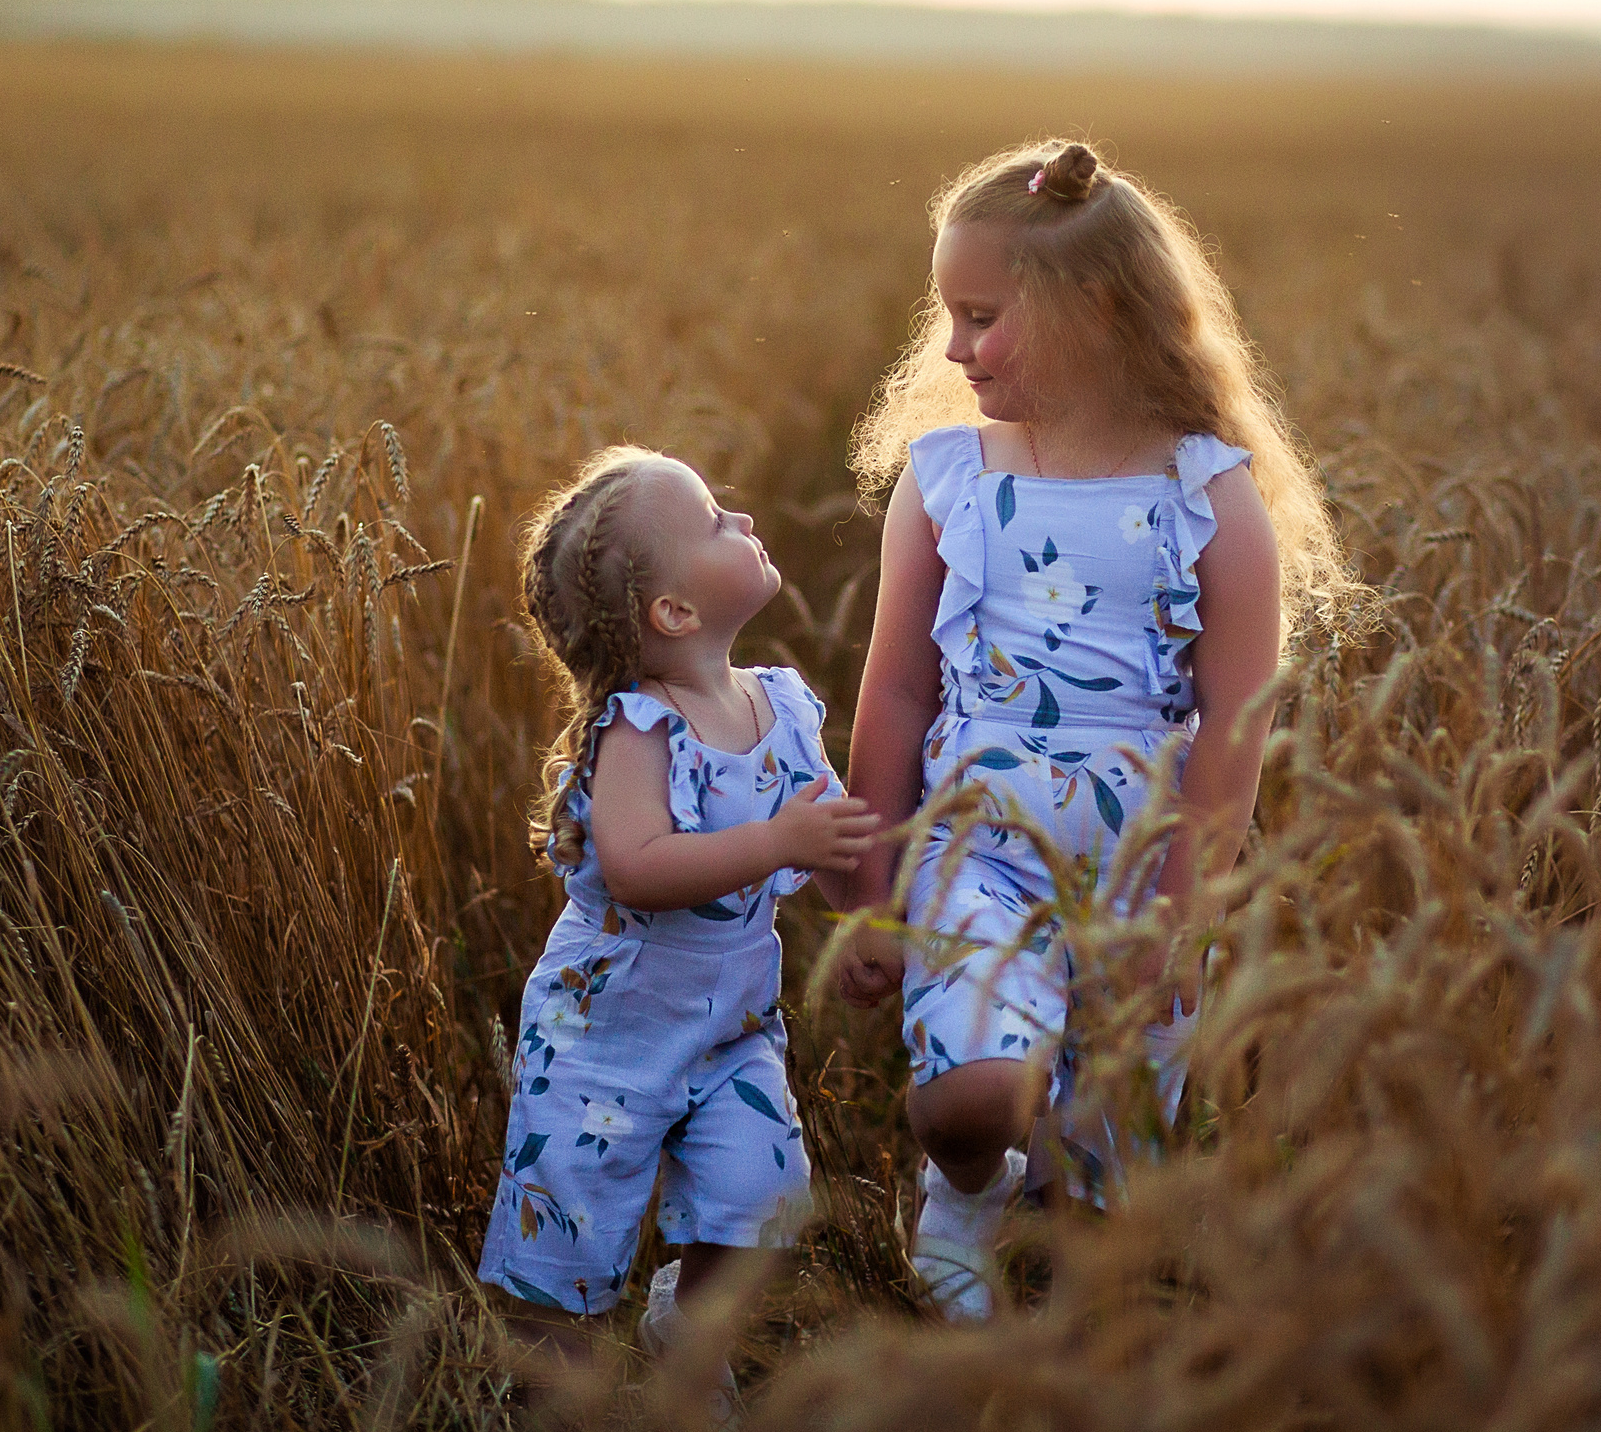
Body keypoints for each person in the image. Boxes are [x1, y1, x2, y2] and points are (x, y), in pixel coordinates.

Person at [838, 140, 1342, 1319]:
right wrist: (871, 889)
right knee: (970, 1097)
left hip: (1142, 871)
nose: (952, 350)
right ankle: (961, 1190)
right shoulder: (949, 478)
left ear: (1094, 308)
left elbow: (1232, 725)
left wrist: (1180, 910)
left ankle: (1053, 1391)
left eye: (978, 318)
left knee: (1103, 1203)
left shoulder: (1207, 496)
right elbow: (896, 690)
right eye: (946, 318)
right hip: (978, 851)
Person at [480, 445, 879, 1368]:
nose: (741, 521)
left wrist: (854, 917)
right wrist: (776, 845)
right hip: (604, 1036)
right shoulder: (640, 728)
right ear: (674, 612)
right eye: (713, 521)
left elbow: (821, 827)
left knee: (762, 1201)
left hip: (732, 1031)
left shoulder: (780, 705)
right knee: (563, 1257)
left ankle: (685, 1343)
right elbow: (636, 866)